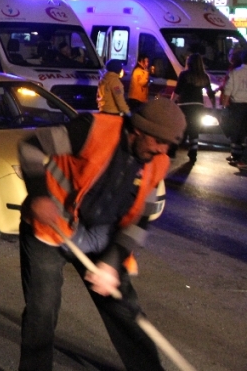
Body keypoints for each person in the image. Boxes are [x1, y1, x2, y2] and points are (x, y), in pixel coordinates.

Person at [17, 98, 186, 371]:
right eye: (159, 141)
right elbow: (30, 146)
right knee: (42, 311)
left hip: (102, 234)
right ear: (139, 130)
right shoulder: (92, 130)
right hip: (52, 226)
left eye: (168, 145)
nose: (163, 150)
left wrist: (111, 263)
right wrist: (39, 196)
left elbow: (140, 221)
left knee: (126, 313)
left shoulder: (157, 161)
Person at [172, 53, 215, 162]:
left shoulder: (184, 75)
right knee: (194, 130)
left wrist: (171, 102)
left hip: (184, 105)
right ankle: (193, 153)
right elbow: (210, 93)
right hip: (198, 106)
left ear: (189, 63)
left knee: (181, 128)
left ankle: (172, 150)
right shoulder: (204, 76)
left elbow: (177, 91)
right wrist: (213, 106)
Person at [221, 50, 247, 168]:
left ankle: (236, 155)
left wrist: (225, 104)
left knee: (236, 131)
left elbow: (228, 90)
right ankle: (242, 157)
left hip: (237, 106)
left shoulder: (235, 72)